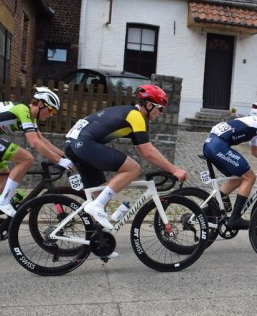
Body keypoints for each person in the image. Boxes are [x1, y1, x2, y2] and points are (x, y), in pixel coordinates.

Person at [64, 85, 188, 237]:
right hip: (84, 145)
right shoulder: (135, 116)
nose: (161, 113)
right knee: (133, 168)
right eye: (160, 108)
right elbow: (148, 151)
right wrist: (174, 170)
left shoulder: (130, 114)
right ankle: (97, 206)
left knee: (100, 192)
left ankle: (97, 239)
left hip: (75, 145)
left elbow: (142, 150)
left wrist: (167, 167)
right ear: (149, 105)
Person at [0, 87, 73, 217]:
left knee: (5, 181)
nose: (51, 114)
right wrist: (59, 161)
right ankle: (3, 202)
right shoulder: (23, 110)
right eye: (50, 110)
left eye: (53, 112)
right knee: (27, 158)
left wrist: (64, 156)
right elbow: (34, 142)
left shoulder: (31, 117)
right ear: (40, 104)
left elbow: (41, 140)